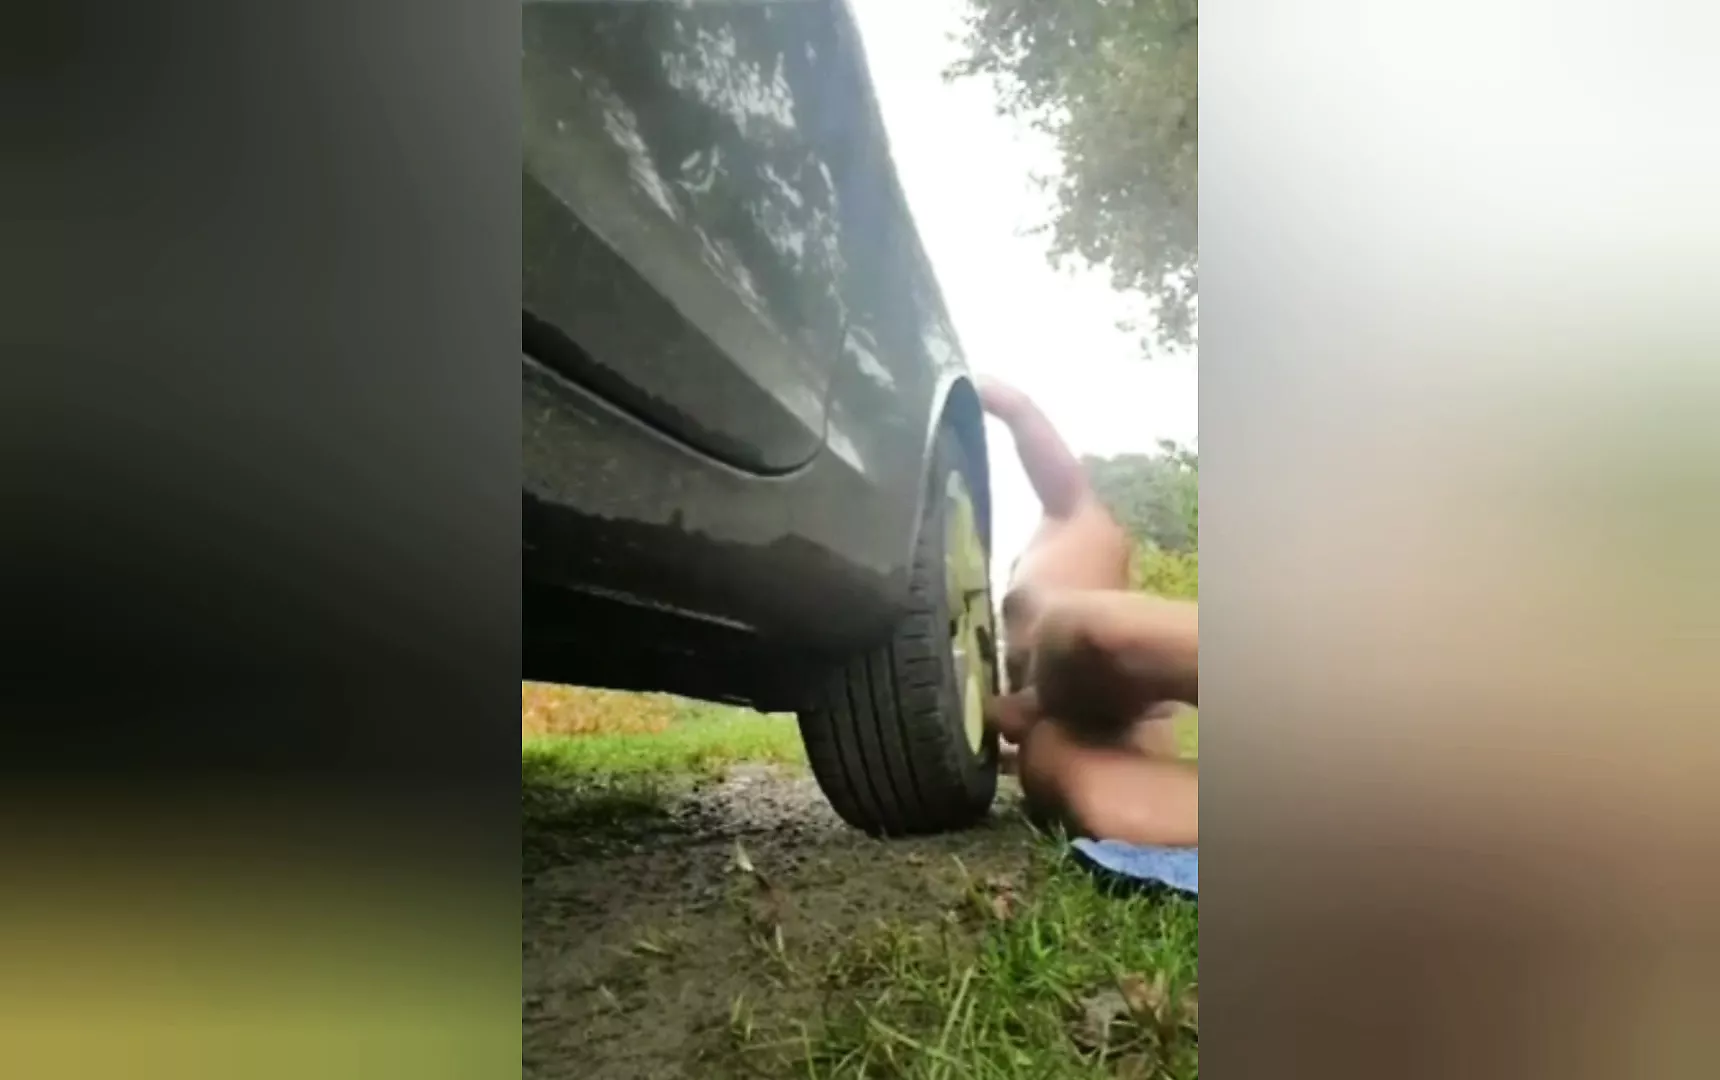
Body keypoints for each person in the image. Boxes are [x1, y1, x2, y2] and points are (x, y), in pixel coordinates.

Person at [978, 375, 1198, 847]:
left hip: (1092, 675)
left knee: (1093, 633)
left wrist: (998, 399)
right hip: (1067, 730)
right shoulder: (1048, 548)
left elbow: (1033, 431)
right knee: (1119, 812)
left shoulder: (1078, 520)